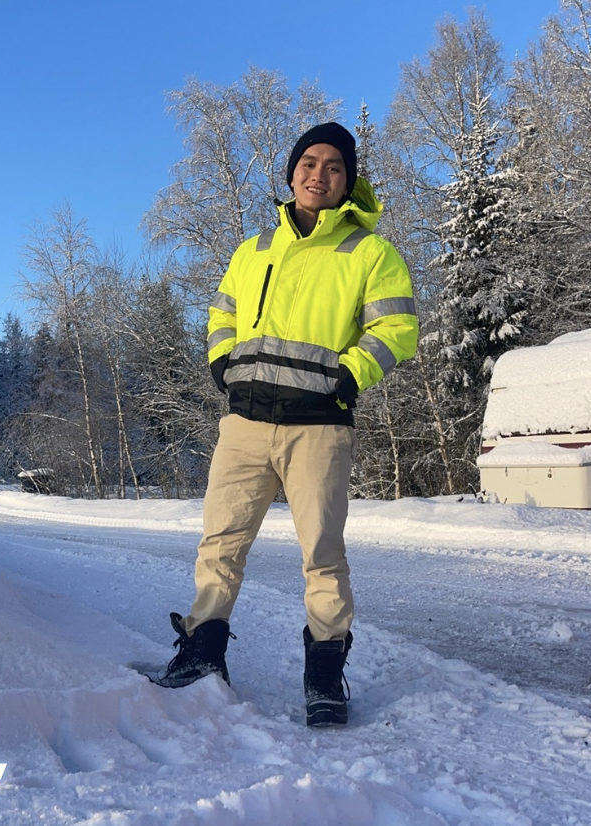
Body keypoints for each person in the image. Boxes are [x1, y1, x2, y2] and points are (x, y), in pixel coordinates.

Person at [154, 122, 419, 727]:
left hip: (319, 428)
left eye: (332, 166)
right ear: (291, 171)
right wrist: (223, 362)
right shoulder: (254, 250)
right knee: (220, 544)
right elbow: (221, 312)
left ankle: (324, 674)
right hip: (245, 424)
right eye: (308, 162)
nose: (318, 173)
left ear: (349, 179)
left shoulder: (368, 252)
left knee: (322, 555)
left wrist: (349, 375)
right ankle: (202, 654)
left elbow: (397, 329)